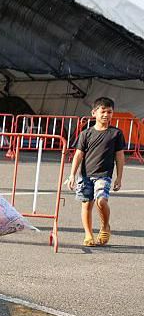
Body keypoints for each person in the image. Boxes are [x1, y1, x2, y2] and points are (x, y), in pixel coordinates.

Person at [66, 97, 126, 246]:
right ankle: (88, 234)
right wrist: (72, 175)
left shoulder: (116, 134)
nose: (106, 115)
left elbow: (120, 157)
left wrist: (119, 178)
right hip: (85, 175)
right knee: (86, 204)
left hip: (104, 175)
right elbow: (78, 155)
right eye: (103, 111)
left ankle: (105, 226)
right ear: (94, 113)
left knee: (101, 201)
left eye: (110, 112)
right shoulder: (85, 134)